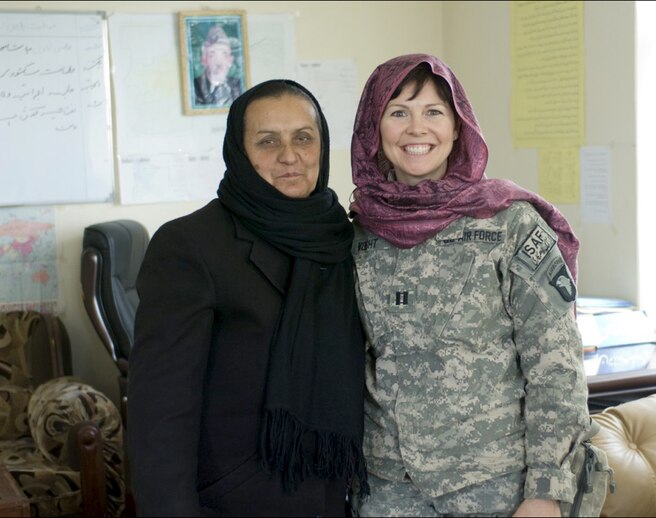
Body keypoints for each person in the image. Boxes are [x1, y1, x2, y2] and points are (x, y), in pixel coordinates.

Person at [349, 54, 590, 517]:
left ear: (458, 127)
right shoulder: (355, 233)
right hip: (388, 490)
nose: (416, 129)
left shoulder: (509, 223)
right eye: (398, 112)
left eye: (434, 112)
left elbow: (555, 365)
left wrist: (546, 489)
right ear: (374, 130)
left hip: (496, 486)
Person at [128, 79, 368, 517]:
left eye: (303, 138)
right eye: (267, 141)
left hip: (335, 499)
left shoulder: (343, 238)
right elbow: (160, 418)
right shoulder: (189, 245)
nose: (289, 156)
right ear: (238, 152)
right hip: (237, 501)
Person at [193, 24, 242, 107]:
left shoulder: (238, 85)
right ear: (204, 59)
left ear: (230, 60)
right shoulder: (194, 87)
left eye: (224, 54)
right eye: (212, 54)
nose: (219, 62)